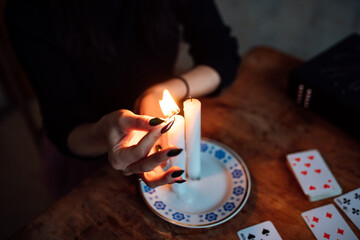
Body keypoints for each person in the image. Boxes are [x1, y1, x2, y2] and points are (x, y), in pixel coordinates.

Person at [5, 0, 240, 188]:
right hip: (90, 145)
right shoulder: (28, 10)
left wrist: (161, 91)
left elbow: (222, 54)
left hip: (159, 130)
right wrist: (101, 134)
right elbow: (62, 122)